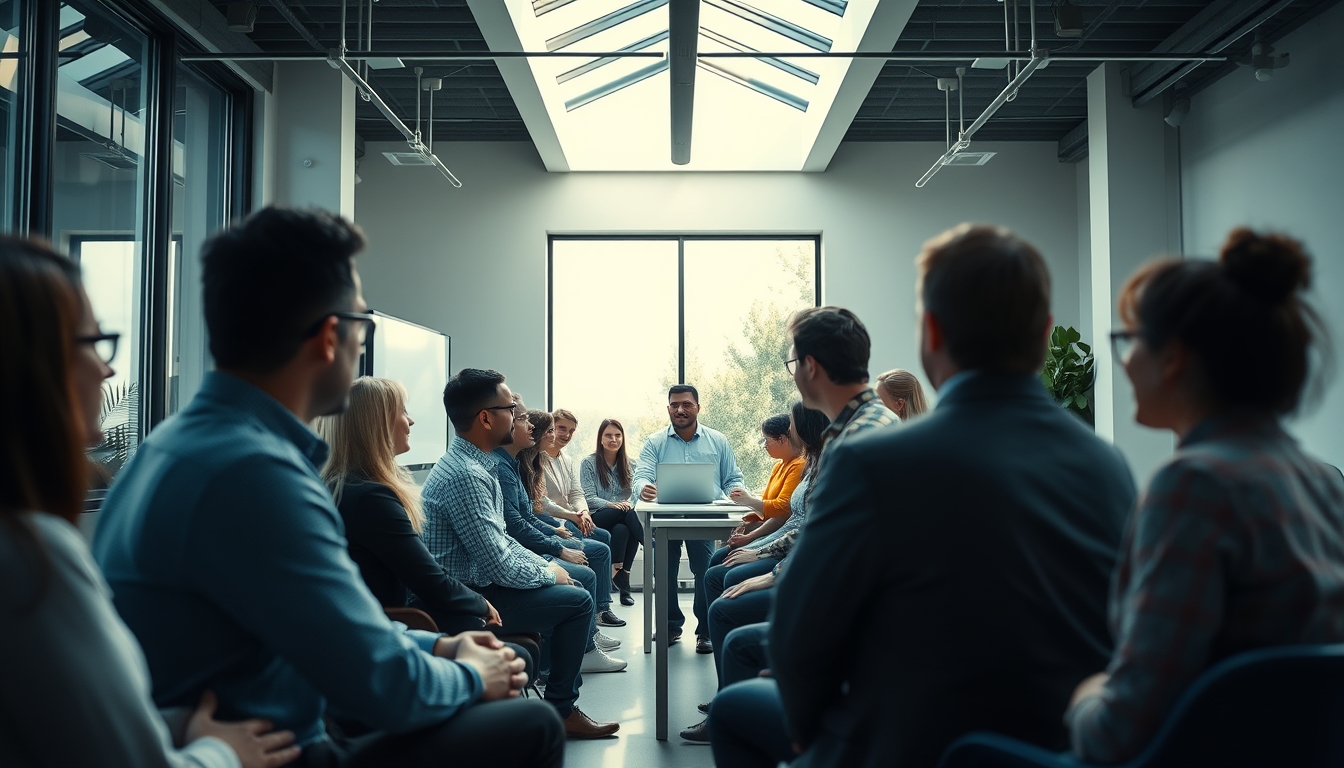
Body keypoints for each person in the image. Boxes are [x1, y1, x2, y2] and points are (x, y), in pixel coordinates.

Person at [92, 208, 562, 767]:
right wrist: (468, 673)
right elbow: (379, 684)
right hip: (284, 750)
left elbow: (336, 629)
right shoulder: (256, 475)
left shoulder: (176, 446)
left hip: (265, 724)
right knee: (530, 723)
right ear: (330, 337)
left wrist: (437, 644)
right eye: (362, 328)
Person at [714, 226, 1136, 768]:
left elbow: (801, 632)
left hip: (914, 743)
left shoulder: (874, 461)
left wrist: (808, 717)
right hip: (1056, 747)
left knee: (734, 711)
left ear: (930, 332)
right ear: (1044, 332)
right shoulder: (1107, 466)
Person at [0, 237, 302, 768]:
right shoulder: (29, 555)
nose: (107, 370)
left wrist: (175, 724)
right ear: (32, 362)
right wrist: (223, 752)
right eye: (94, 342)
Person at [1067, 228, 1344, 764]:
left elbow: (1119, 734)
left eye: (1130, 341)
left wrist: (1083, 698)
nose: (1123, 363)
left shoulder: (1194, 487)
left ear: (1172, 358)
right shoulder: (1324, 481)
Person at [422, 368, 619, 738]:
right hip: (469, 598)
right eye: (510, 407)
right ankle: (561, 710)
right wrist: (550, 571)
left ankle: (559, 702)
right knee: (577, 602)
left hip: (480, 585)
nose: (517, 415)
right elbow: (498, 561)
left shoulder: (479, 465)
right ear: (485, 418)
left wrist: (546, 564)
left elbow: (504, 540)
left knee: (573, 586)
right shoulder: (466, 474)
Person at [680, 401, 829, 743]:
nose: (786, 432)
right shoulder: (815, 463)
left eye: (789, 426)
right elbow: (794, 520)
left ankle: (730, 700)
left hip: (799, 567)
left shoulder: (819, 465)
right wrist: (753, 543)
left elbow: (807, 530)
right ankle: (729, 693)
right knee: (722, 570)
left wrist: (764, 560)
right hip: (789, 555)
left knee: (728, 579)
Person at [499, 405, 625, 673]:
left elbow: (543, 505)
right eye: (555, 430)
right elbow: (525, 518)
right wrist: (557, 538)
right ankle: (586, 643)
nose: (558, 435)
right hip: (541, 534)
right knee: (590, 562)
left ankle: (596, 619)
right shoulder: (515, 465)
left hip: (554, 524)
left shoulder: (545, 461)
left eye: (569, 431)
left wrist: (578, 514)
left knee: (607, 537)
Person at [632, 384, 746, 652]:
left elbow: (732, 478)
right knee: (665, 570)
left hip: (705, 513)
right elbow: (641, 476)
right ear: (668, 408)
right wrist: (643, 488)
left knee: (704, 570)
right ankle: (671, 626)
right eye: (674, 405)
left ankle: (705, 631)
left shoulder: (718, 440)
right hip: (665, 513)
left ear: (698, 407)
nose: (680, 410)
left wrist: (735, 493)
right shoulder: (655, 441)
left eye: (686, 404)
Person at [523, 411, 624, 630]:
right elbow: (541, 502)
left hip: (569, 516)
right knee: (601, 545)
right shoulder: (535, 458)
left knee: (605, 535)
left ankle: (602, 605)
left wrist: (584, 513)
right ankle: (601, 606)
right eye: (560, 429)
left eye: (571, 431)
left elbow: (577, 493)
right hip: (553, 520)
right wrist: (571, 517)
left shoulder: (567, 459)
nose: (566, 435)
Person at [579, 418, 645, 607]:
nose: (613, 439)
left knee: (623, 529)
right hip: (598, 515)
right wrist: (612, 505)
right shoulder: (589, 463)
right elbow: (588, 497)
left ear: (623, 438)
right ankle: (648, 542)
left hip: (623, 517)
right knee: (625, 515)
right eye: (608, 435)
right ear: (601, 438)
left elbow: (634, 497)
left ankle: (622, 582)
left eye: (617, 435)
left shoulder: (632, 464)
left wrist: (625, 505)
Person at [722, 413, 805, 549]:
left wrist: (749, 501)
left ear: (781, 439)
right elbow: (768, 507)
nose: (764, 445)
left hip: (781, 536)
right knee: (720, 555)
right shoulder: (779, 466)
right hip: (769, 530)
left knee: (722, 560)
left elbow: (782, 509)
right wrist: (749, 523)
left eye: (766, 440)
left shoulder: (799, 465)